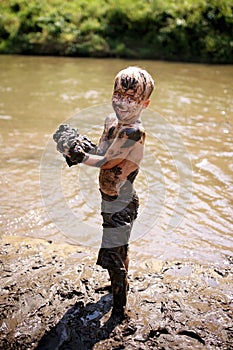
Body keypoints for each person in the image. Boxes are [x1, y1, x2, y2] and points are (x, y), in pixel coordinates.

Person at [55, 66, 154, 321]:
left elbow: (108, 162)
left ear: (145, 103)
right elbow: (101, 149)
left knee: (113, 253)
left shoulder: (134, 132)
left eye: (131, 99)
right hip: (108, 198)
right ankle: (117, 286)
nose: (122, 102)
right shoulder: (111, 122)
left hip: (122, 202)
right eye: (118, 94)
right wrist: (78, 144)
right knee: (120, 248)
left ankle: (119, 308)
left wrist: (79, 156)